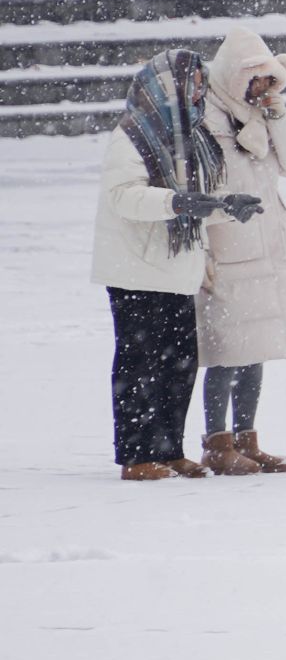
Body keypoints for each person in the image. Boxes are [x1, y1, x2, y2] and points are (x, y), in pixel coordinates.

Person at [89, 49, 262, 481]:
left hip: (178, 268)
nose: (201, 90)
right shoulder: (133, 134)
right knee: (140, 364)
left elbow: (195, 202)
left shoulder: (192, 136)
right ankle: (136, 455)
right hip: (137, 269)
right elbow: (123, 196)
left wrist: (225, 207)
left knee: (179, 363)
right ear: (169, 86)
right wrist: (178, 201)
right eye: (196, 83)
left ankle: (168, 449)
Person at [194, 28, 286, 476]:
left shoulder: (260, 115)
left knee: (255, 347)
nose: (262, 89)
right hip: (226, 248)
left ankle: (247, 437)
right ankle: (216, 440)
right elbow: (202, 185)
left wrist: (277, 113)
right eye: (257, 81)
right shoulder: (207, 118)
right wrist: (202, 249)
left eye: (271, 82)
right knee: (226, 350)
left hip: (265, 246)